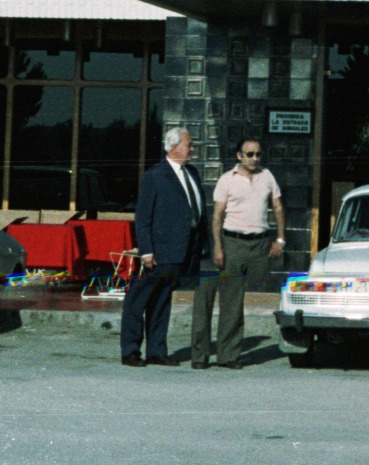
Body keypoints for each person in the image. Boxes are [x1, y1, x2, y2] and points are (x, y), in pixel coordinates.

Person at [190, 138, 285, 370]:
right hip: (232, 241)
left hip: (259, 243)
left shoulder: (267, 176)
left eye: (258, 154)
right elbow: (217, 215)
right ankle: (200, 356)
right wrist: (218, 247)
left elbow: (279, 207)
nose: (255, 159)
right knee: (216, 298)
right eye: (250, 154)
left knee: (234, 301)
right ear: (239, 156)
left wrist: (280, 239)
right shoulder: (226, 180)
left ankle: (228, 355)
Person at [120, 128, 209, 368]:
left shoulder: (191, 172)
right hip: (160, 251)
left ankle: (156, 351)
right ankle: (130, 351)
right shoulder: (155, 175)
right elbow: (143, 217)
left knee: (162, 300)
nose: (193, 148)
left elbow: (198, 211)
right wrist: (146, 250)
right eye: (189, 144)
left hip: (183, 250)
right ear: (174, 147)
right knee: (138, 299)